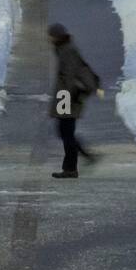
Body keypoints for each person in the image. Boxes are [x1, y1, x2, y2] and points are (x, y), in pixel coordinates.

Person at [48, 22, 102, 179]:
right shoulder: (63, 49)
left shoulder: (68, 51)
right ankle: (82, 158)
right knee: (65, 132)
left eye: (51, 36)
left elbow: (69, 77)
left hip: (68, 96)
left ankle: (71, 168)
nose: (50, 39)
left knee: (66, 132)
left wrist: (68, 98)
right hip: (67, 95)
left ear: (57, 36)